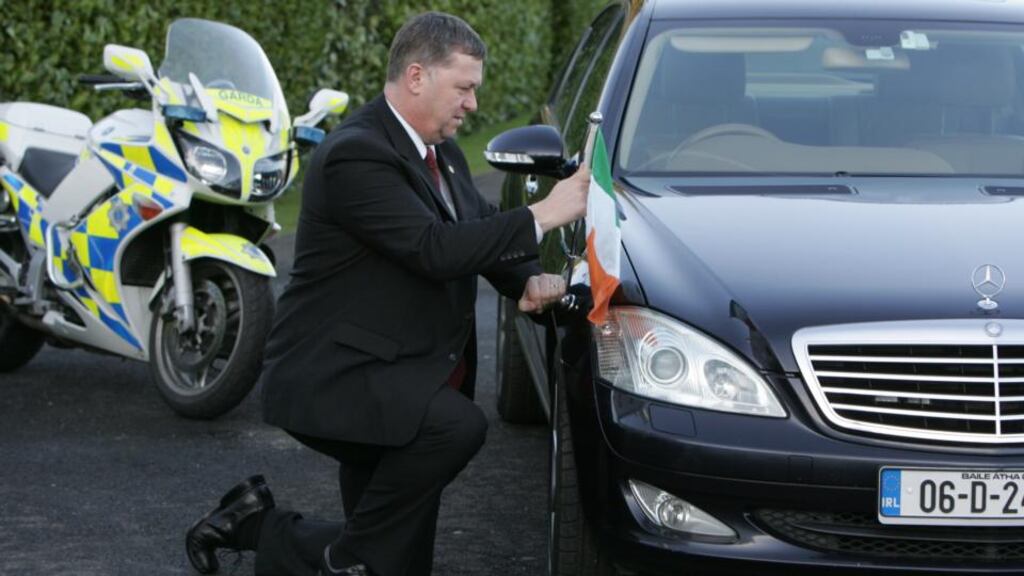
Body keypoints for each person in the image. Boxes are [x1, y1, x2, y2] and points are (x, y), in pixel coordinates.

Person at [184, 11, 590, 576]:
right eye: (465, 87)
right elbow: (433, 248)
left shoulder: (439, 150)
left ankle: (254, 522)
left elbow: (477, 226)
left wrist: (527, 280)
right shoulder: (357, 154)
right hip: (337, 375)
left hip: (397, 370)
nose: (472, 103)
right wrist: (546, 213)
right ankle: (274, 533)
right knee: (456, 429)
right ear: (418, 76)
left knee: (394, 565)